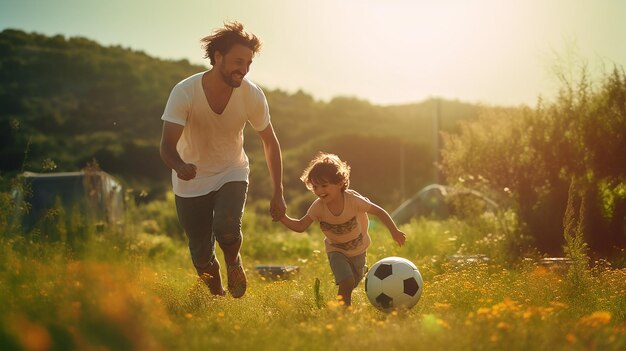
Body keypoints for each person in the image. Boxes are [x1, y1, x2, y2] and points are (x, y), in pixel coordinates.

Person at [159, 21, 286, 298]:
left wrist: (278, 192)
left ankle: (233, 262)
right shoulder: (185, 91)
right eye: (238, 61)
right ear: (218, 57)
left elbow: (270, 142)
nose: (244, 69)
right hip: (190, 181)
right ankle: (217, 299)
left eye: (249, 63)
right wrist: (179, 165)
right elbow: (166, 146)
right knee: (202, 257)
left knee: (228, 227)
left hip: (232, 170)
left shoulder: (251, 94)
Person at [279, 152, 406, 306]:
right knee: (347, 282)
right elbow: (300, 226)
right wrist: (282, 217)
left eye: (324, 185)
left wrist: (394, 231)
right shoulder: (318, 207)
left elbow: (379, 211)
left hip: (359, 251)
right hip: (336, 251)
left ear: (339, 183)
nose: (319, 191)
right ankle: (343, 314)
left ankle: (357, 277)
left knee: (353, 283)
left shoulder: (353, 201)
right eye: (316, 187)